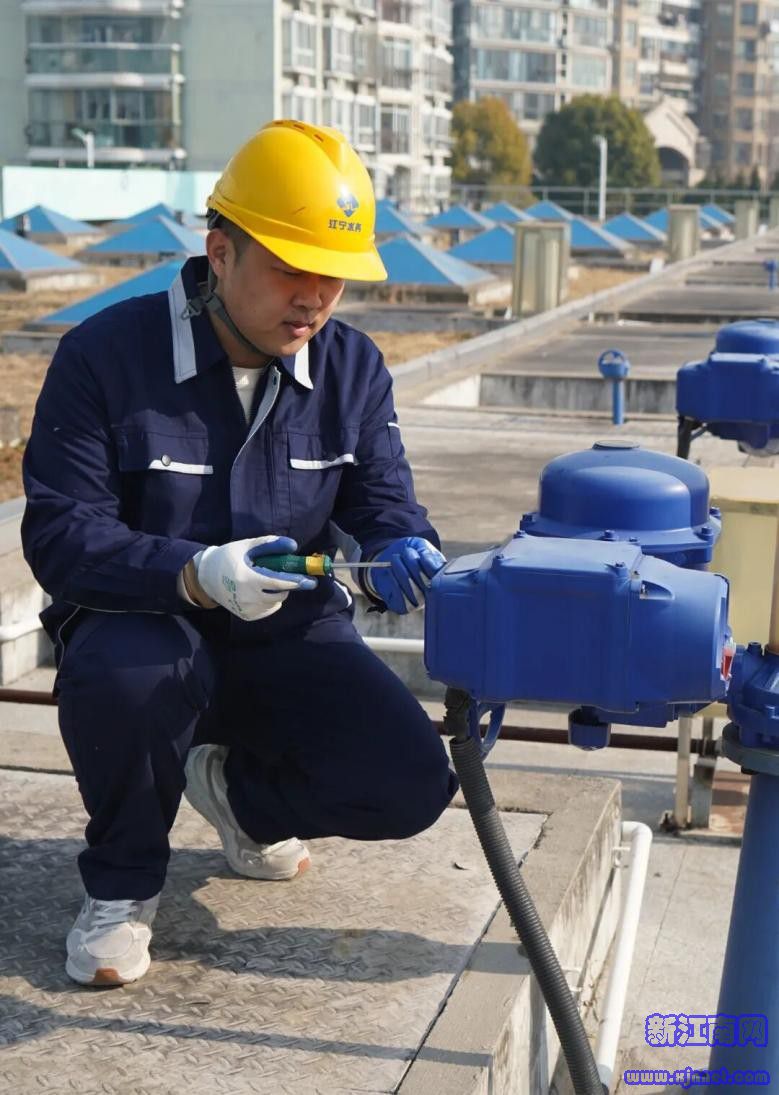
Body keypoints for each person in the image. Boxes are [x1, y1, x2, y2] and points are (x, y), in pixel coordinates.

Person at [22, 119, 458, 987]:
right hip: (143, 626)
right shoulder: (105, 358)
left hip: (285, 631)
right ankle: (121, 886)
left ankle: (240, 797)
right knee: (131, 673)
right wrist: (189, 574)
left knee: (411, 781)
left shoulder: (352, 370)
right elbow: (62, 533)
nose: (314, 298)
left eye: (332, 276)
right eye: (291, 268)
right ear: (219, 253)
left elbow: (380, 503)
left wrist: (400, 547)